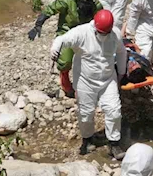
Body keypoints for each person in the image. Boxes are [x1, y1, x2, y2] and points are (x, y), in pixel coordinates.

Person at [50, 10, 127, 159]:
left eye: (106, 33)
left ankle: (114, 143)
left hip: (107, 79)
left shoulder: (114, 34)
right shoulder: (82, 33)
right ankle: (87, 140)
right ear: (95, 28)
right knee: (86, 113)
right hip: (85, 81)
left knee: (114, 111)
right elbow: (62, 40)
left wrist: (121, 73)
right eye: (101, 33)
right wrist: (54, 50)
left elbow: (122, 52)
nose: (104, 36)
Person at [28, 0, 102, 99]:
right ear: (77, 0)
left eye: (88, 4)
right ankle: (66, 84)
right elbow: (50, 9)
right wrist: (38, 24)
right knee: (65, 61)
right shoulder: (67, 1)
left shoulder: (96, 6)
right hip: (66, 33)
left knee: (92, 59)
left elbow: (102, 22)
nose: (85, 6)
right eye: (83, 3)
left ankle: (89, 84)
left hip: (86, 35)